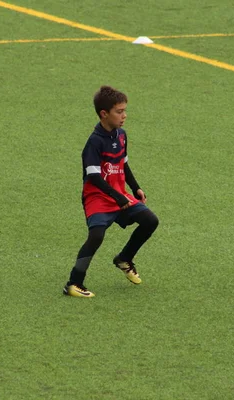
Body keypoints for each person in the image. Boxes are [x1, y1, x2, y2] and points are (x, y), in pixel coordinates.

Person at [63, 86, 159, 298]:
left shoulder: (121, 135)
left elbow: (124, 164)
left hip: (120, 194)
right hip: (97, 196)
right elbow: (94, 177)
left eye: (125, 110)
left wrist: (135, 188)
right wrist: (118, 196)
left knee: (150, 220)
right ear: (104, 114)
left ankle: (124, 258)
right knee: (96, 236)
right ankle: (73, 283)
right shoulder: (94, 142)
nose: (124, 116)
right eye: (119, 111)